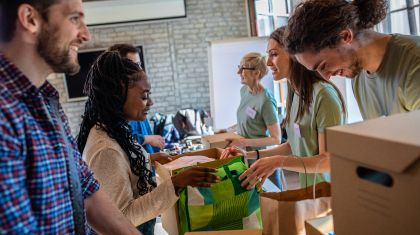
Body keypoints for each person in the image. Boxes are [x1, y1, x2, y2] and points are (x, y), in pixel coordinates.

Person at [0, 0, 142, 234]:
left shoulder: (48, 102)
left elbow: (86, 190)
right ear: (30, 19)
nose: (85, 34)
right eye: (74, 19)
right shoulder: (5, 114)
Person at [77, 51, 220, 235]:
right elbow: (120, 219)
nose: (150, 102)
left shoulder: (116, 130)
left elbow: (123, 168)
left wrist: (149, 158)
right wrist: (175, 184)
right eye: (144, 97)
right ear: (117, 95)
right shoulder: (105, 149)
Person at [221, 27, 347, 190]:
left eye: (273, 54)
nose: (267, 63)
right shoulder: (295, 93)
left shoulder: (324, 95)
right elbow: (292, 146)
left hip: (330, 195)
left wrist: (277, 162)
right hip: (308, 191)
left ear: (295, 55)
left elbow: (327, 161)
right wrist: (250, 155)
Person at [285, 0, 420, 120]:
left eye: (324, 65)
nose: (326, 76)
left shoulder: (414, 61)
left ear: (345, 36)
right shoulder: (358, 76)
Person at [216, 52, 280, 151]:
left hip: (262, 157)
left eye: (242, 69)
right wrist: (227, 130)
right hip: (246, 155)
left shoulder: (266, 101)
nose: (238, 72)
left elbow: (276, 139)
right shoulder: (244, 91)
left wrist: (243, 142)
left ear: (256, 73)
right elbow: (249, 121)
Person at [107, 43, 164, 153]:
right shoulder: (119, 107)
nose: (140, 69)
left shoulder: (139, 103)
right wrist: (147, 139)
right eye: (136, 65)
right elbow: (120, 138)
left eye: (140, 64)